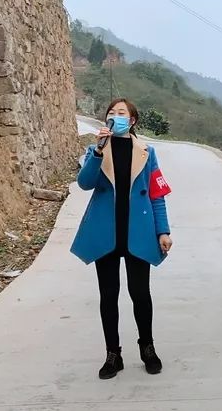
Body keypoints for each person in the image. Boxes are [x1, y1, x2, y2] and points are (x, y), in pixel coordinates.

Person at [69, 98, 174, 379]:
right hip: (106, 233)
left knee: (140, 294)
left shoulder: (147, 152)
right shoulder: (97, 150)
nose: (116, 117)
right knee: (109, 295)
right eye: (112, 113)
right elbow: (84, 183)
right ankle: (112, 354)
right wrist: (98, 152)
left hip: (137, 232)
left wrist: (162, 230)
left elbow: (156, 194)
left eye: (122, 113)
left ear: (133, 121)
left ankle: (147, 348)